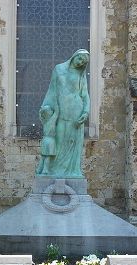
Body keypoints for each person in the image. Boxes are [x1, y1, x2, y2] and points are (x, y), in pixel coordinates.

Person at [37, 49, 90, 178]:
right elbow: (52, 90)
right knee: (59, 142)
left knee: (72, 143)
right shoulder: (59, 69)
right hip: (60, 111)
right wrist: (46, 108)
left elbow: (85, 95)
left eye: (83, 62)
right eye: (79, 59)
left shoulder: (81, 75)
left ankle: (72, 172)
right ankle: (53, 171)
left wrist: (86, 111)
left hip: (76, 112)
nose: (80, 63)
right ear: (74, 56)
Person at [36, 105, 58, 175]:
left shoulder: (44, 121)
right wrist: (56, 103)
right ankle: (45, 170)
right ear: (48, 113)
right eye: (50, 110)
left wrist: (40, 111)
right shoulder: (52, 120)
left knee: (43, 156)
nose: (52, 111)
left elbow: (40, 116)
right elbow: (57, 112)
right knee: (48, 156)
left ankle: (39, 169)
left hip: (45, 139)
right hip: (50, 140)